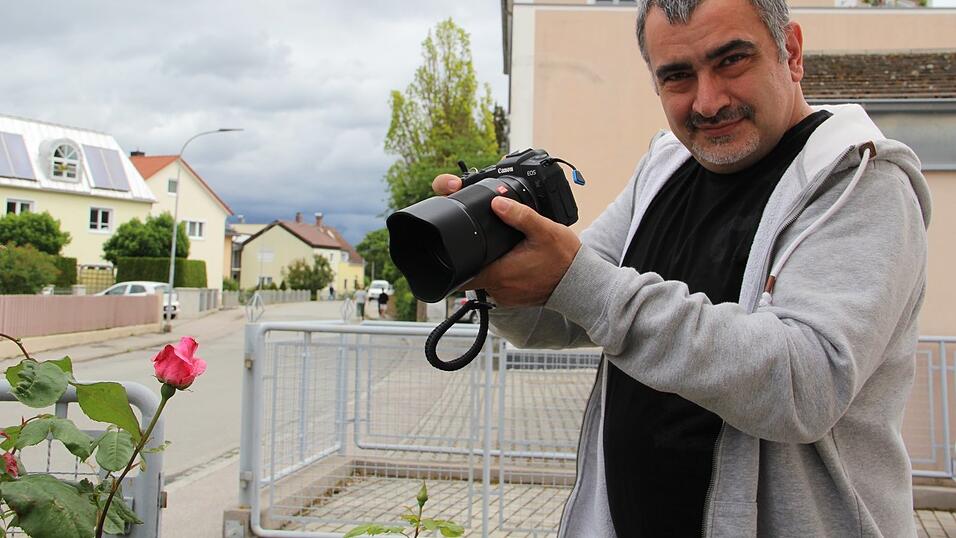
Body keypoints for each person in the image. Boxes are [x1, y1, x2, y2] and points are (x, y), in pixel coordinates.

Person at [432, 0, 930, 535]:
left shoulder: (863, 181)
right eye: (677, 76)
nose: (708, 101)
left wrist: (579, 282)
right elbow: (559, 313)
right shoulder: (666, 167)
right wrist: (494, 265)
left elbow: (804, 385)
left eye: (732, 60)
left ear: (791, 52)